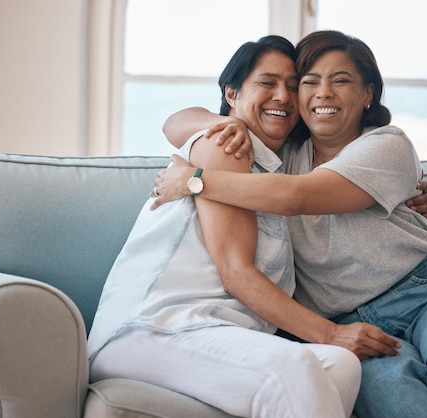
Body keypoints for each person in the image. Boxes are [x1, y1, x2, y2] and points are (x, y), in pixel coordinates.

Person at [153, 30, 427, 418]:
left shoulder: (387, 145)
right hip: (343, 321)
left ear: (367, 95)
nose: (324, 92)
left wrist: (194, 180)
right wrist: (229, 122)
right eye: (310, 82)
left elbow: (298, 198)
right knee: (401, 404)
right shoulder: (279, 153)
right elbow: (175, 122)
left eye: (340, 80)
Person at [87, 35, 367, 418]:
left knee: (341, 365)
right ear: (232, 93)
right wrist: (331, 333)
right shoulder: (225, 144)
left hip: (218, 334)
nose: (283, 97)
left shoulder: (281, 169)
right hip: (152, 329)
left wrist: (410, 189)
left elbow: (345, 178)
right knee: (296, 367)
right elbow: (236, 274)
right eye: (268, 83)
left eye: (291, 85)